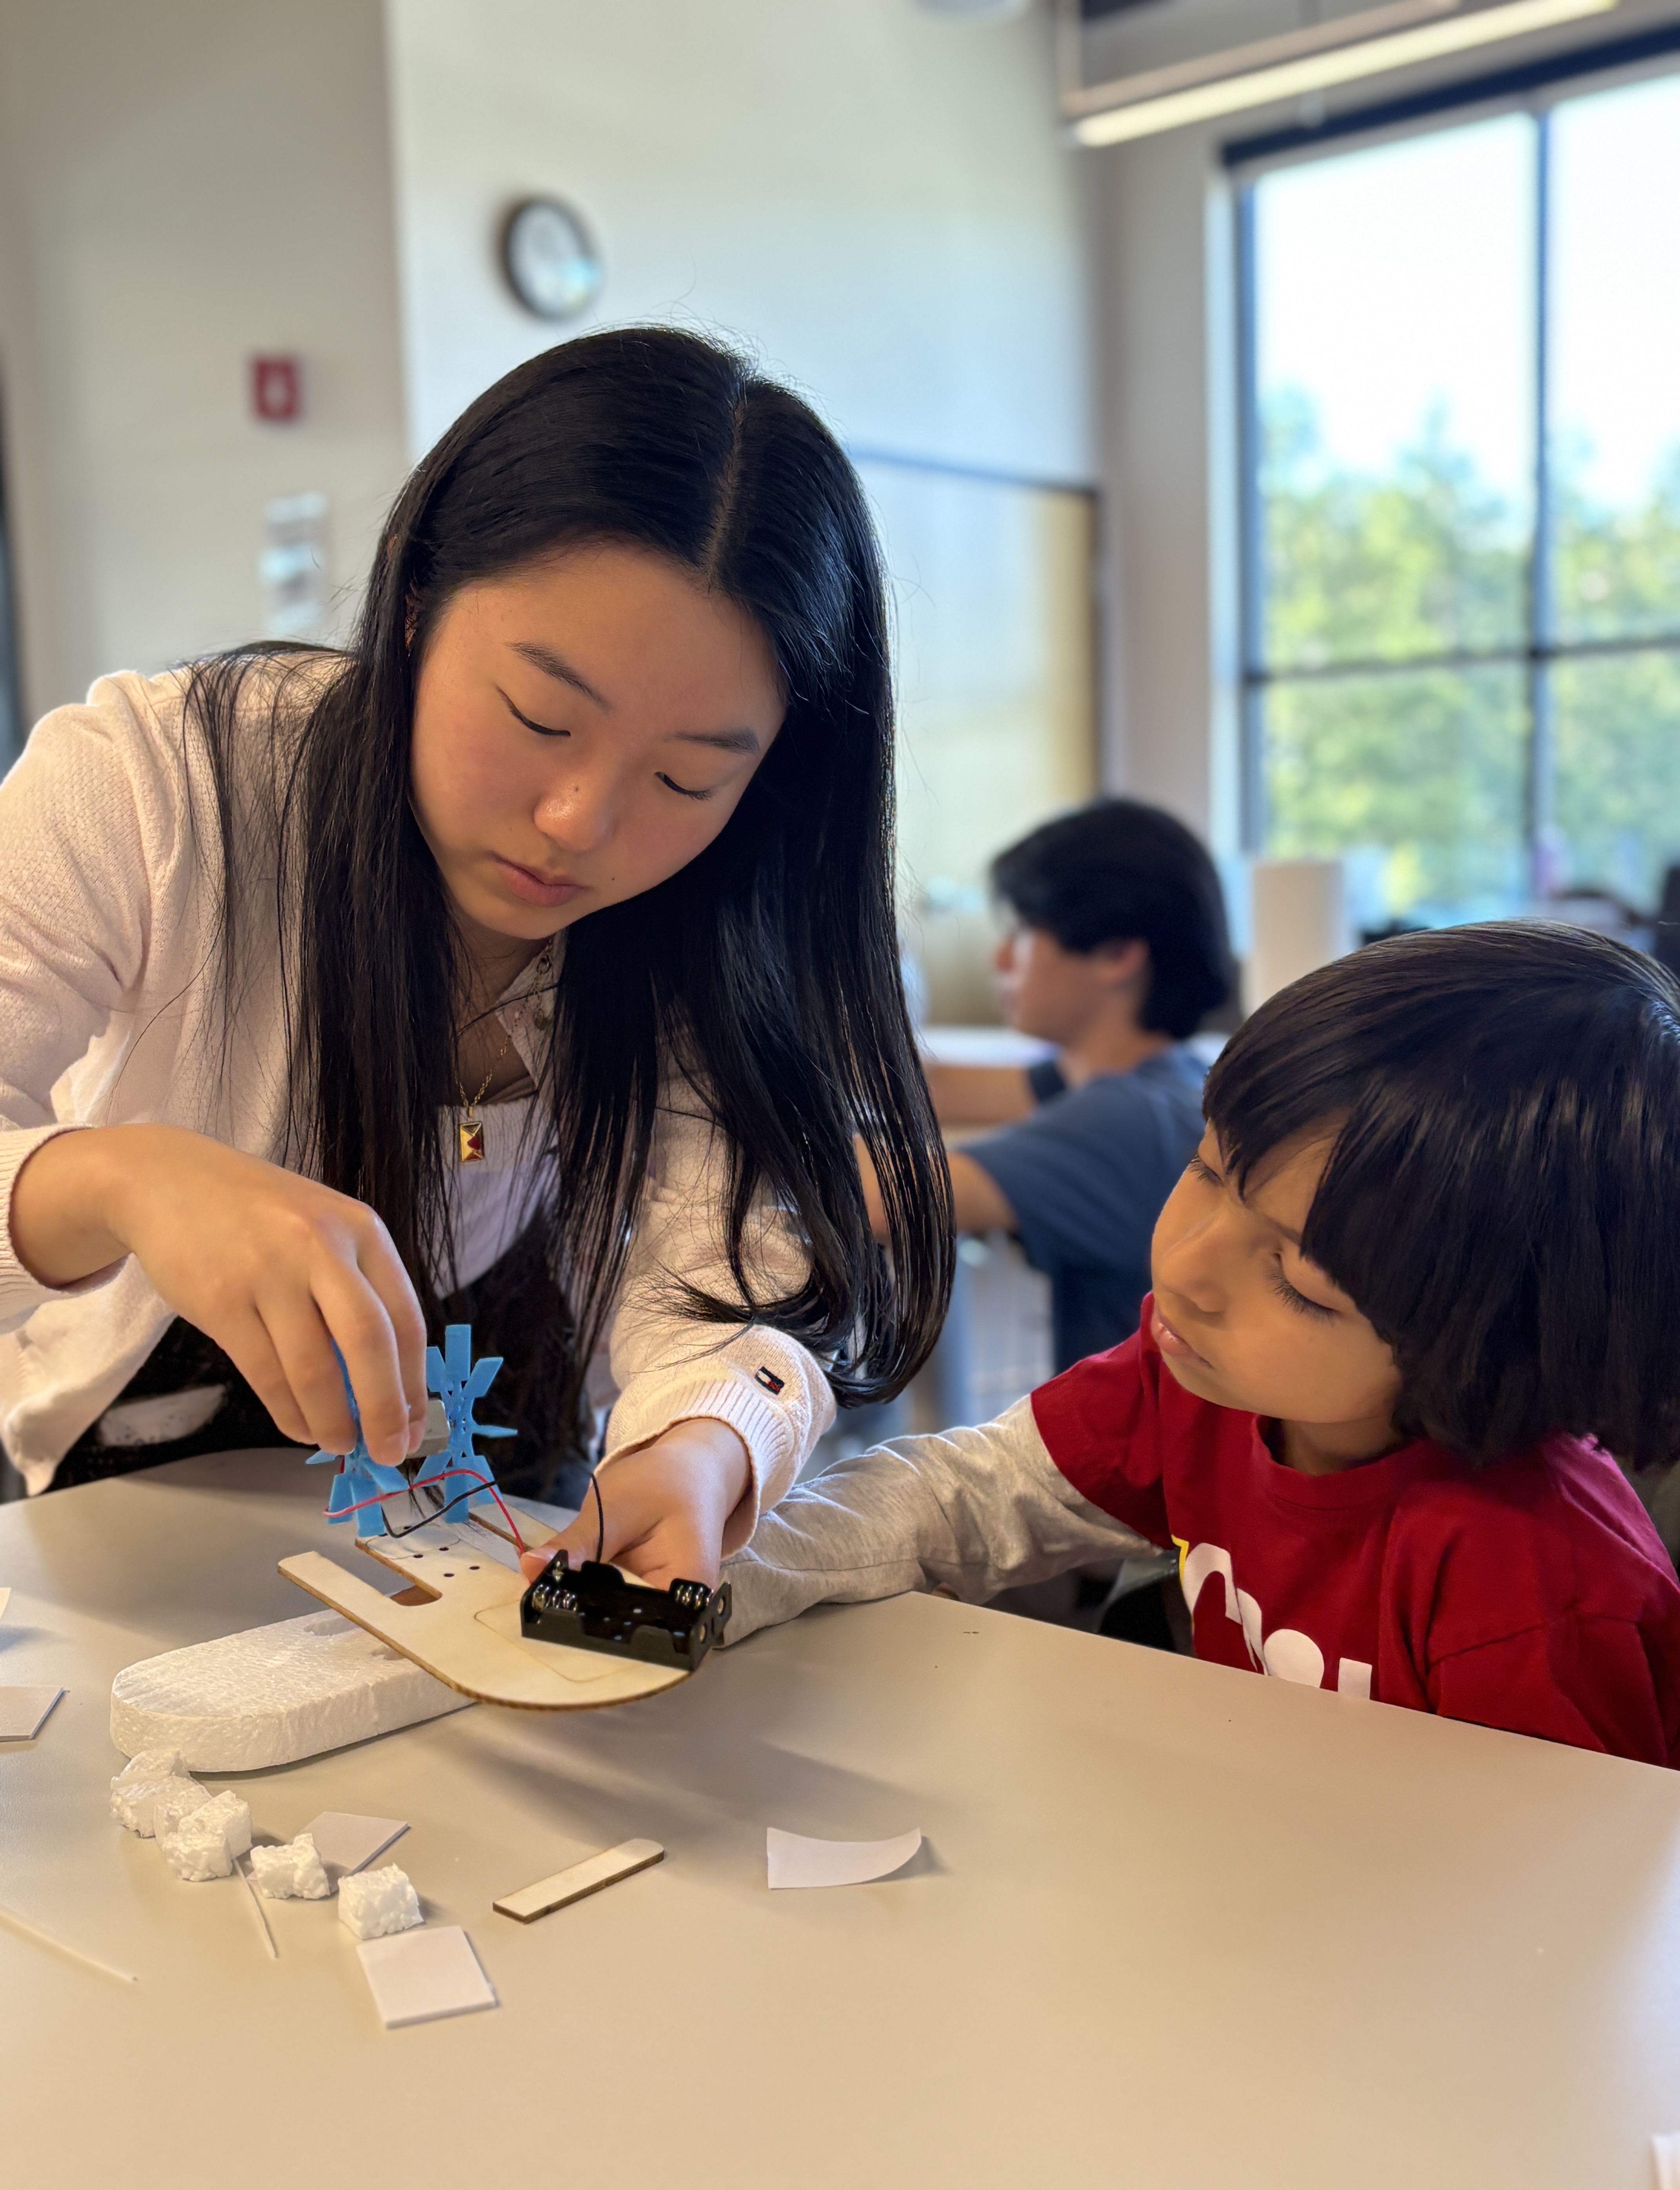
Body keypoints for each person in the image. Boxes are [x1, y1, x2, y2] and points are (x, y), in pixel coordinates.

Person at [0, 327, 952, 1584]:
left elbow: (723, 1272)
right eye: (538, 717)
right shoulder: (157, 784)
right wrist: (117, 1181)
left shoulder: (704, 910)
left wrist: (707, 1441)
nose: (582, 824)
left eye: (686, 776)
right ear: (412, 610)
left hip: (501, 1540)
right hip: (128, 1547)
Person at [699, 925, 1680, 1765]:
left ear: (1499, 1345)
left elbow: (1560, 1911)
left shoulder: (1540, 1589)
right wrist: (718, 1565)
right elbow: (970, 1494)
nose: (1187, 1270)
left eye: (1300, 1282)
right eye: (1208, 1171)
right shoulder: (1204, 1379)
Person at [911, 800, 1233, 1373]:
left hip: (1131, 1462)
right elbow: (932, 1085)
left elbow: (883, 1196)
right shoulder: (1165, 1080)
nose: (1002, 956)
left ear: (1116, 954)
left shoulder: (1126, 1119)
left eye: (1027, 930)